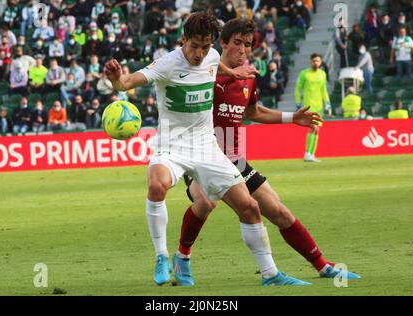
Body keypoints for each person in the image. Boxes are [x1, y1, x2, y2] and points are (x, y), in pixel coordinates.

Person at [105, 11, 309, 287]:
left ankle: (270, 274)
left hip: (206, 147)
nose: (200, 54)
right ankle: (162, 256)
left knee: (249, 207)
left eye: (205, 46)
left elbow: (215, 65)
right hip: (172, 145)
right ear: (183, 40)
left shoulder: (211, 56)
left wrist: (233, 72)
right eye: (194, 46)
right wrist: (117, 79)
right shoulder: (167, 64)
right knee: (157, 185)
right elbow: (125, 84)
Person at [175, 18, 360, 286]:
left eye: (248, 45)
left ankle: (323, 266)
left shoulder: (248, 78)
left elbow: (253, 112)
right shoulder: (203, 72)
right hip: (201, 157)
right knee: (205, 203)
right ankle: (182, 257)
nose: (242, 50)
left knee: (279, 212)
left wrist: (290, 117)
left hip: (234, 159)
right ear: (222, 43)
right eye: (236, 43)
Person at [295, 53, 331, 163]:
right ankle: (307, 153)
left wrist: (327, 103)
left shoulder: (323, 74)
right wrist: (298, 103)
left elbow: (323, 90)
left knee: (317, 130)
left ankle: (311, 154)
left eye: (318, 61)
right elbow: (298, 88)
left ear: (320, 62)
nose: (316, 63)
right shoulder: (304, 74)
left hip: (319, 106)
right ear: (310, 62)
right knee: (313, 128)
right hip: (308, 106)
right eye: (314, 61)